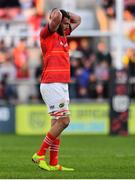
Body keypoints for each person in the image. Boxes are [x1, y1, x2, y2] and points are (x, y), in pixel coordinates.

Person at [32, 8, 81, 171]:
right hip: (52, 83)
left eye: (67, 23)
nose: (68, 24)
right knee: (65, 121)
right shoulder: (47, 34)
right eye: (64, 22)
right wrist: (57, 13)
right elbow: (57, 16)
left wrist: (65, 15)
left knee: (57, 123)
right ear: (56, 22)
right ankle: (39, 154)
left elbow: (78, 19)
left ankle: (53, 163)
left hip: (61, 84)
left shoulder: (64, 35)